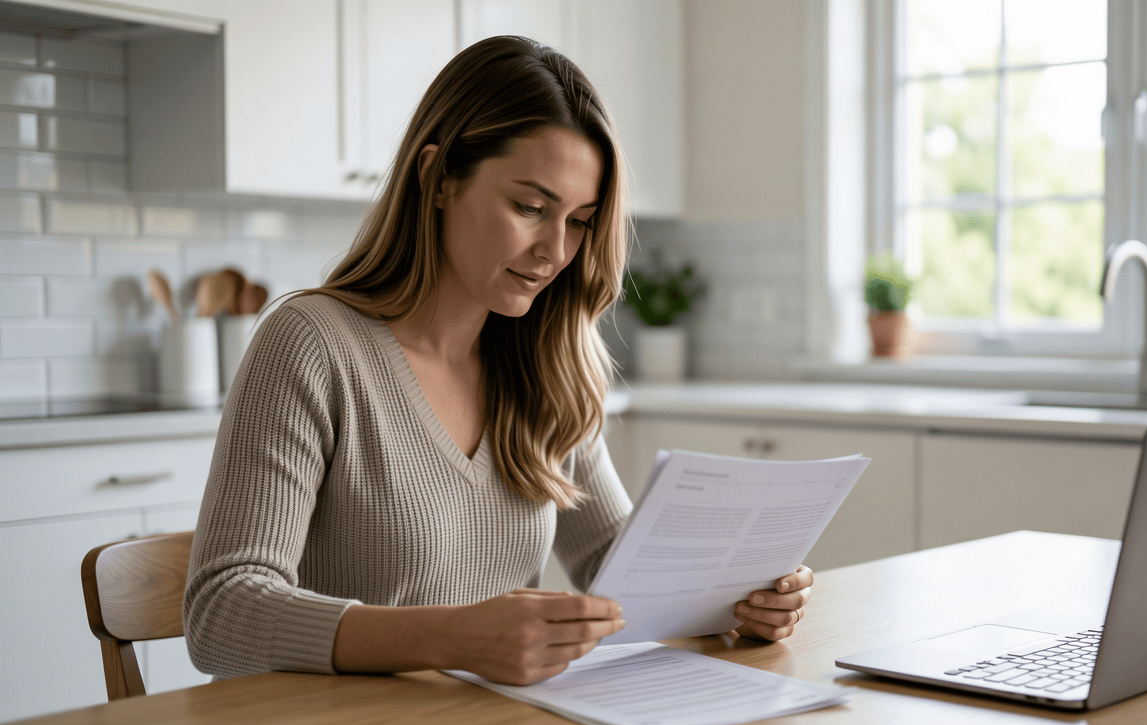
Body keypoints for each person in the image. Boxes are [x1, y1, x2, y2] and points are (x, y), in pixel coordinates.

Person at [183, 36, 813, 687]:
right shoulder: (311, 344)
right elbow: (222, 614)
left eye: (579, 221)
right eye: (530, 208)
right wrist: (454, 637)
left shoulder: (547, 368)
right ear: (435, 178)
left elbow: (618, 572)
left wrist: (740, 601)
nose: (555, 251)